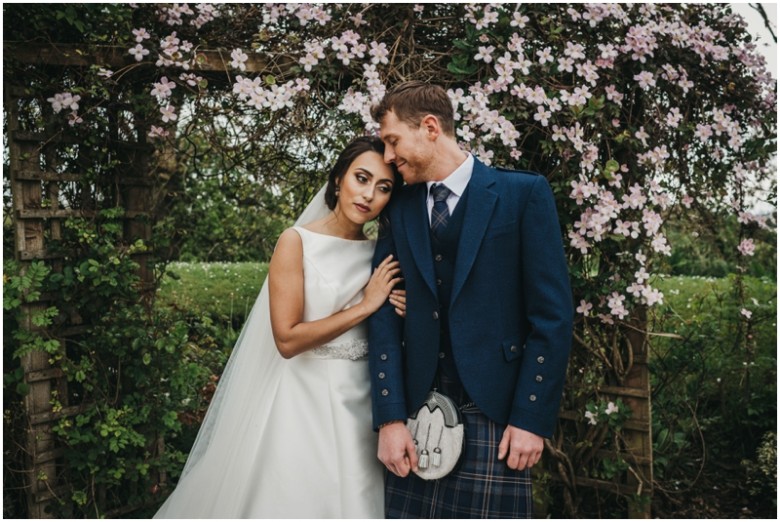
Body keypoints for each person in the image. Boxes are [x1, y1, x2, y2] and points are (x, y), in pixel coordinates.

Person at [155, 136, 405, 518]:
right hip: (302, 401)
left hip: (363, 402)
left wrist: (400, 309)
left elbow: (391, 325)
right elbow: (287, 339)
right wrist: (367, 305)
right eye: (361, 178)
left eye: (383, 187)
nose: (369, 194)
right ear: (338, 179)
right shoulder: (296, 242)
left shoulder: (380, 254)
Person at [368, 81, 573, 518]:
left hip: (497, 417)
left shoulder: (522, 195)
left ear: (429, 127)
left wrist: (530, 419)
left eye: (392, 141)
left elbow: (551, 319)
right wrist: (389, 419)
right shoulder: (399, 208)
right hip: (415, 416)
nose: (388, 157)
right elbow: (383, 315)